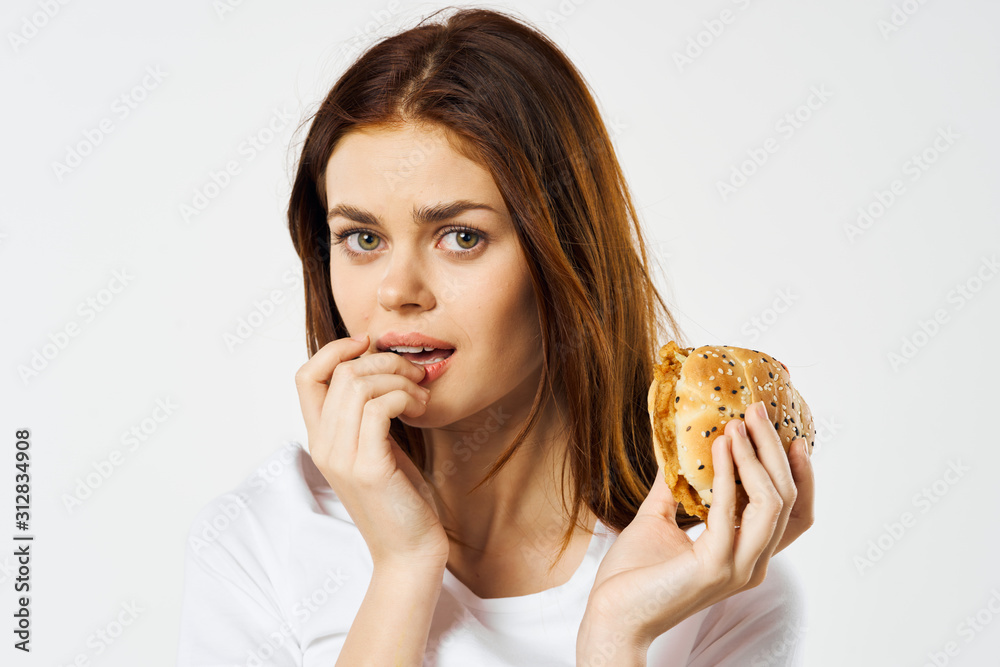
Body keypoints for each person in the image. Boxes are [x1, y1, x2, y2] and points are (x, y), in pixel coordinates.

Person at [177, 6, 815, 665]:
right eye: (362, 238)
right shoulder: (259, 541)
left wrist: (614, 636)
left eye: (461, 237)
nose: (397, 290)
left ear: (566, 252)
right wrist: (403, 565)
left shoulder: (713, 581)